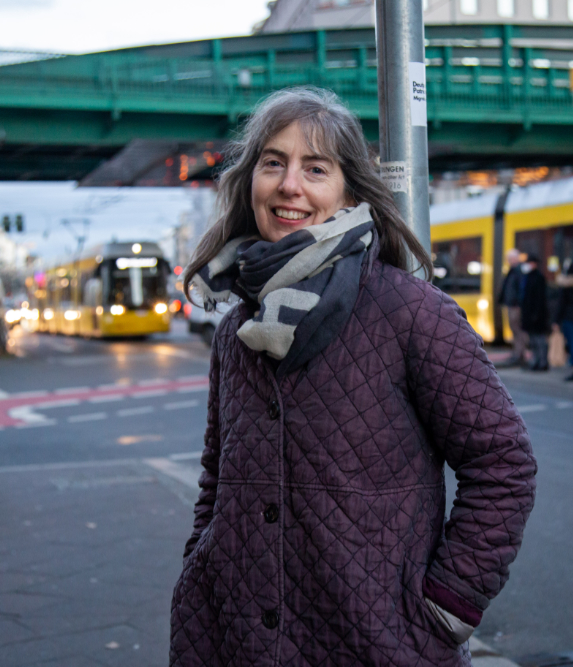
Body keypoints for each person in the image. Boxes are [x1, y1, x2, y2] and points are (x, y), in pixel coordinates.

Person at [172, 88, 537, 667]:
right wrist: (200, 568)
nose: (290, 185)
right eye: (273, 163)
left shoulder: (411, 311)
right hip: (237, 642)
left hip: (379, 648)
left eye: (316, 168)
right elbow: (218, 477)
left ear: (348, 191)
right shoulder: (236, 328)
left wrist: (445, 608)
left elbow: (503, 464)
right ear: (251, 182)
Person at [519, 254, 550, 371]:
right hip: (530, 314)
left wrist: (536, 314)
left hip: (536, 315)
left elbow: (540, 298)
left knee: (539, 340)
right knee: (533, 340)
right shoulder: (529, 277)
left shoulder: (538, 278)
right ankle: (537, 361)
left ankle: (542, 362)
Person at [498, 248, 527, 365]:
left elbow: (520, 289)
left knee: (518, 330)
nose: (508, 261)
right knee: (515, 330)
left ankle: (519, 354)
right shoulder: (514, 271)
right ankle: (517, 353)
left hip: (516, 306)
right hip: (512, 305)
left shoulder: (518, 271)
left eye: (509, 259)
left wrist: (518, 303)